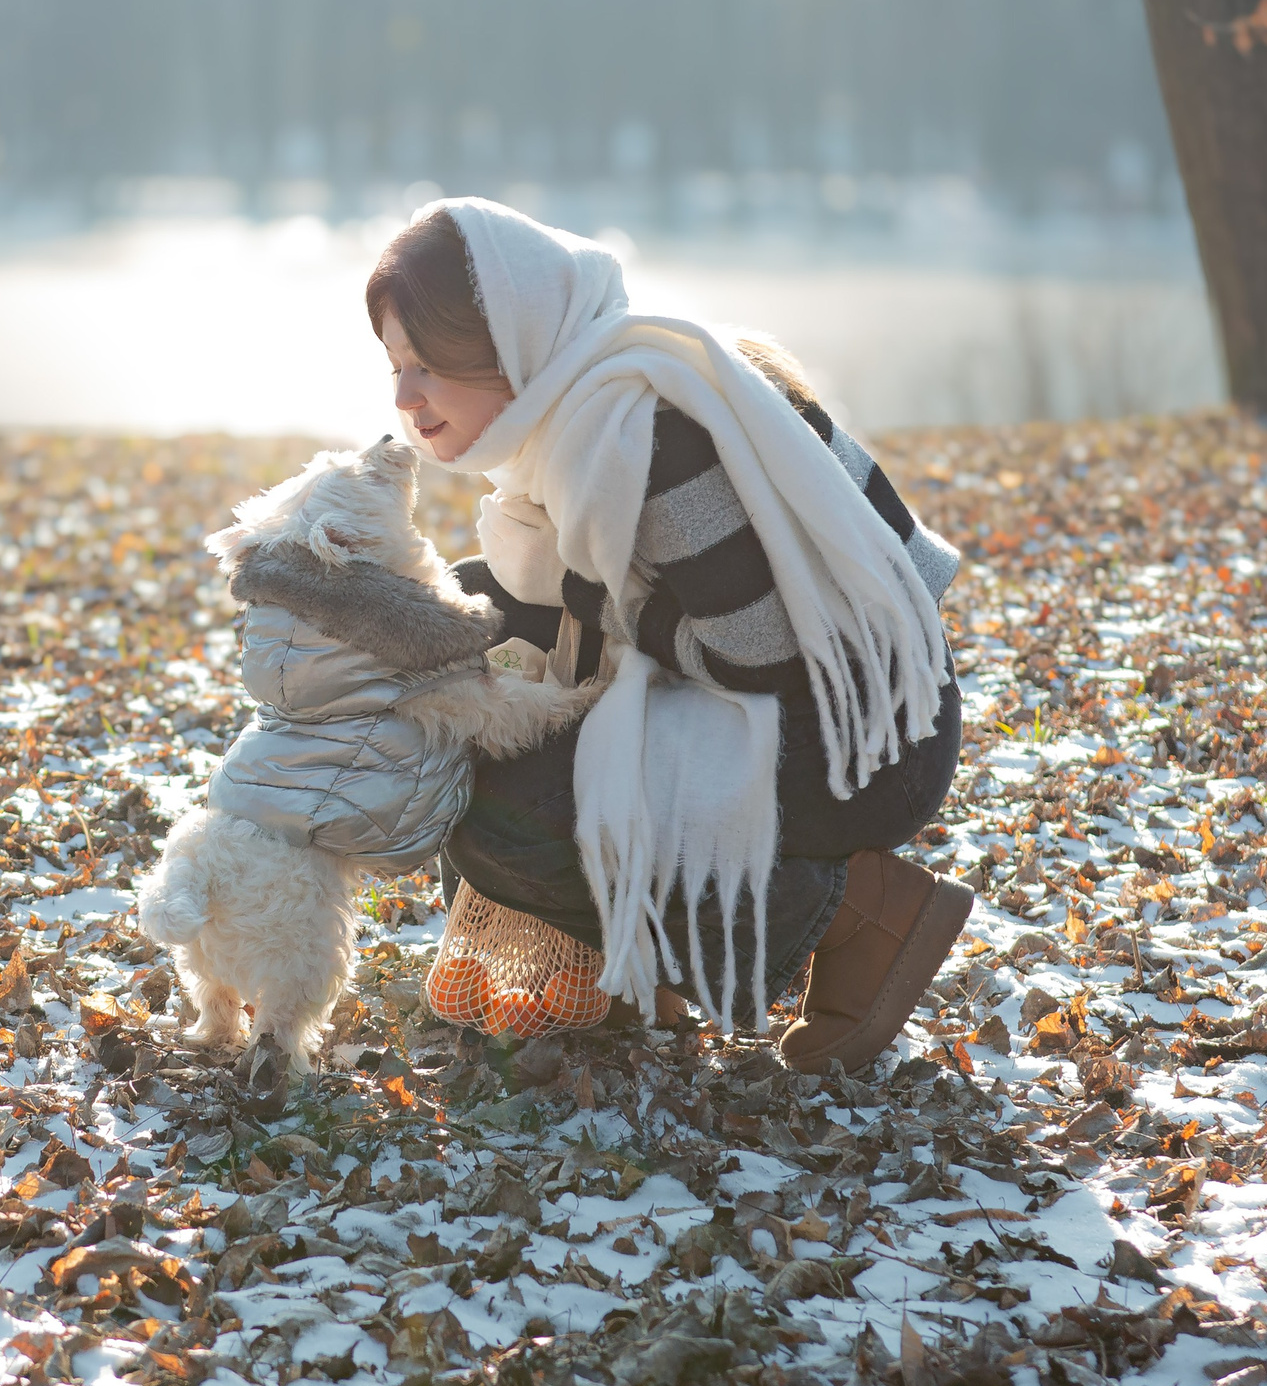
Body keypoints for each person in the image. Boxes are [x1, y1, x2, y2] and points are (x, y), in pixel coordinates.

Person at [367, 197, 973, 1074]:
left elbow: (756, 661)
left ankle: (861, 912)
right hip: (806, 718)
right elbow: (551, 604)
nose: (404, 397)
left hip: (860, 745)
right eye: (393, 366)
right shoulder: (576, 421)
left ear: (509, 341)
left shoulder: (648, 438)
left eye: (425, 363)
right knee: (473, 709)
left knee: (514, 806)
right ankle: (623, 973)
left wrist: (595, 621)